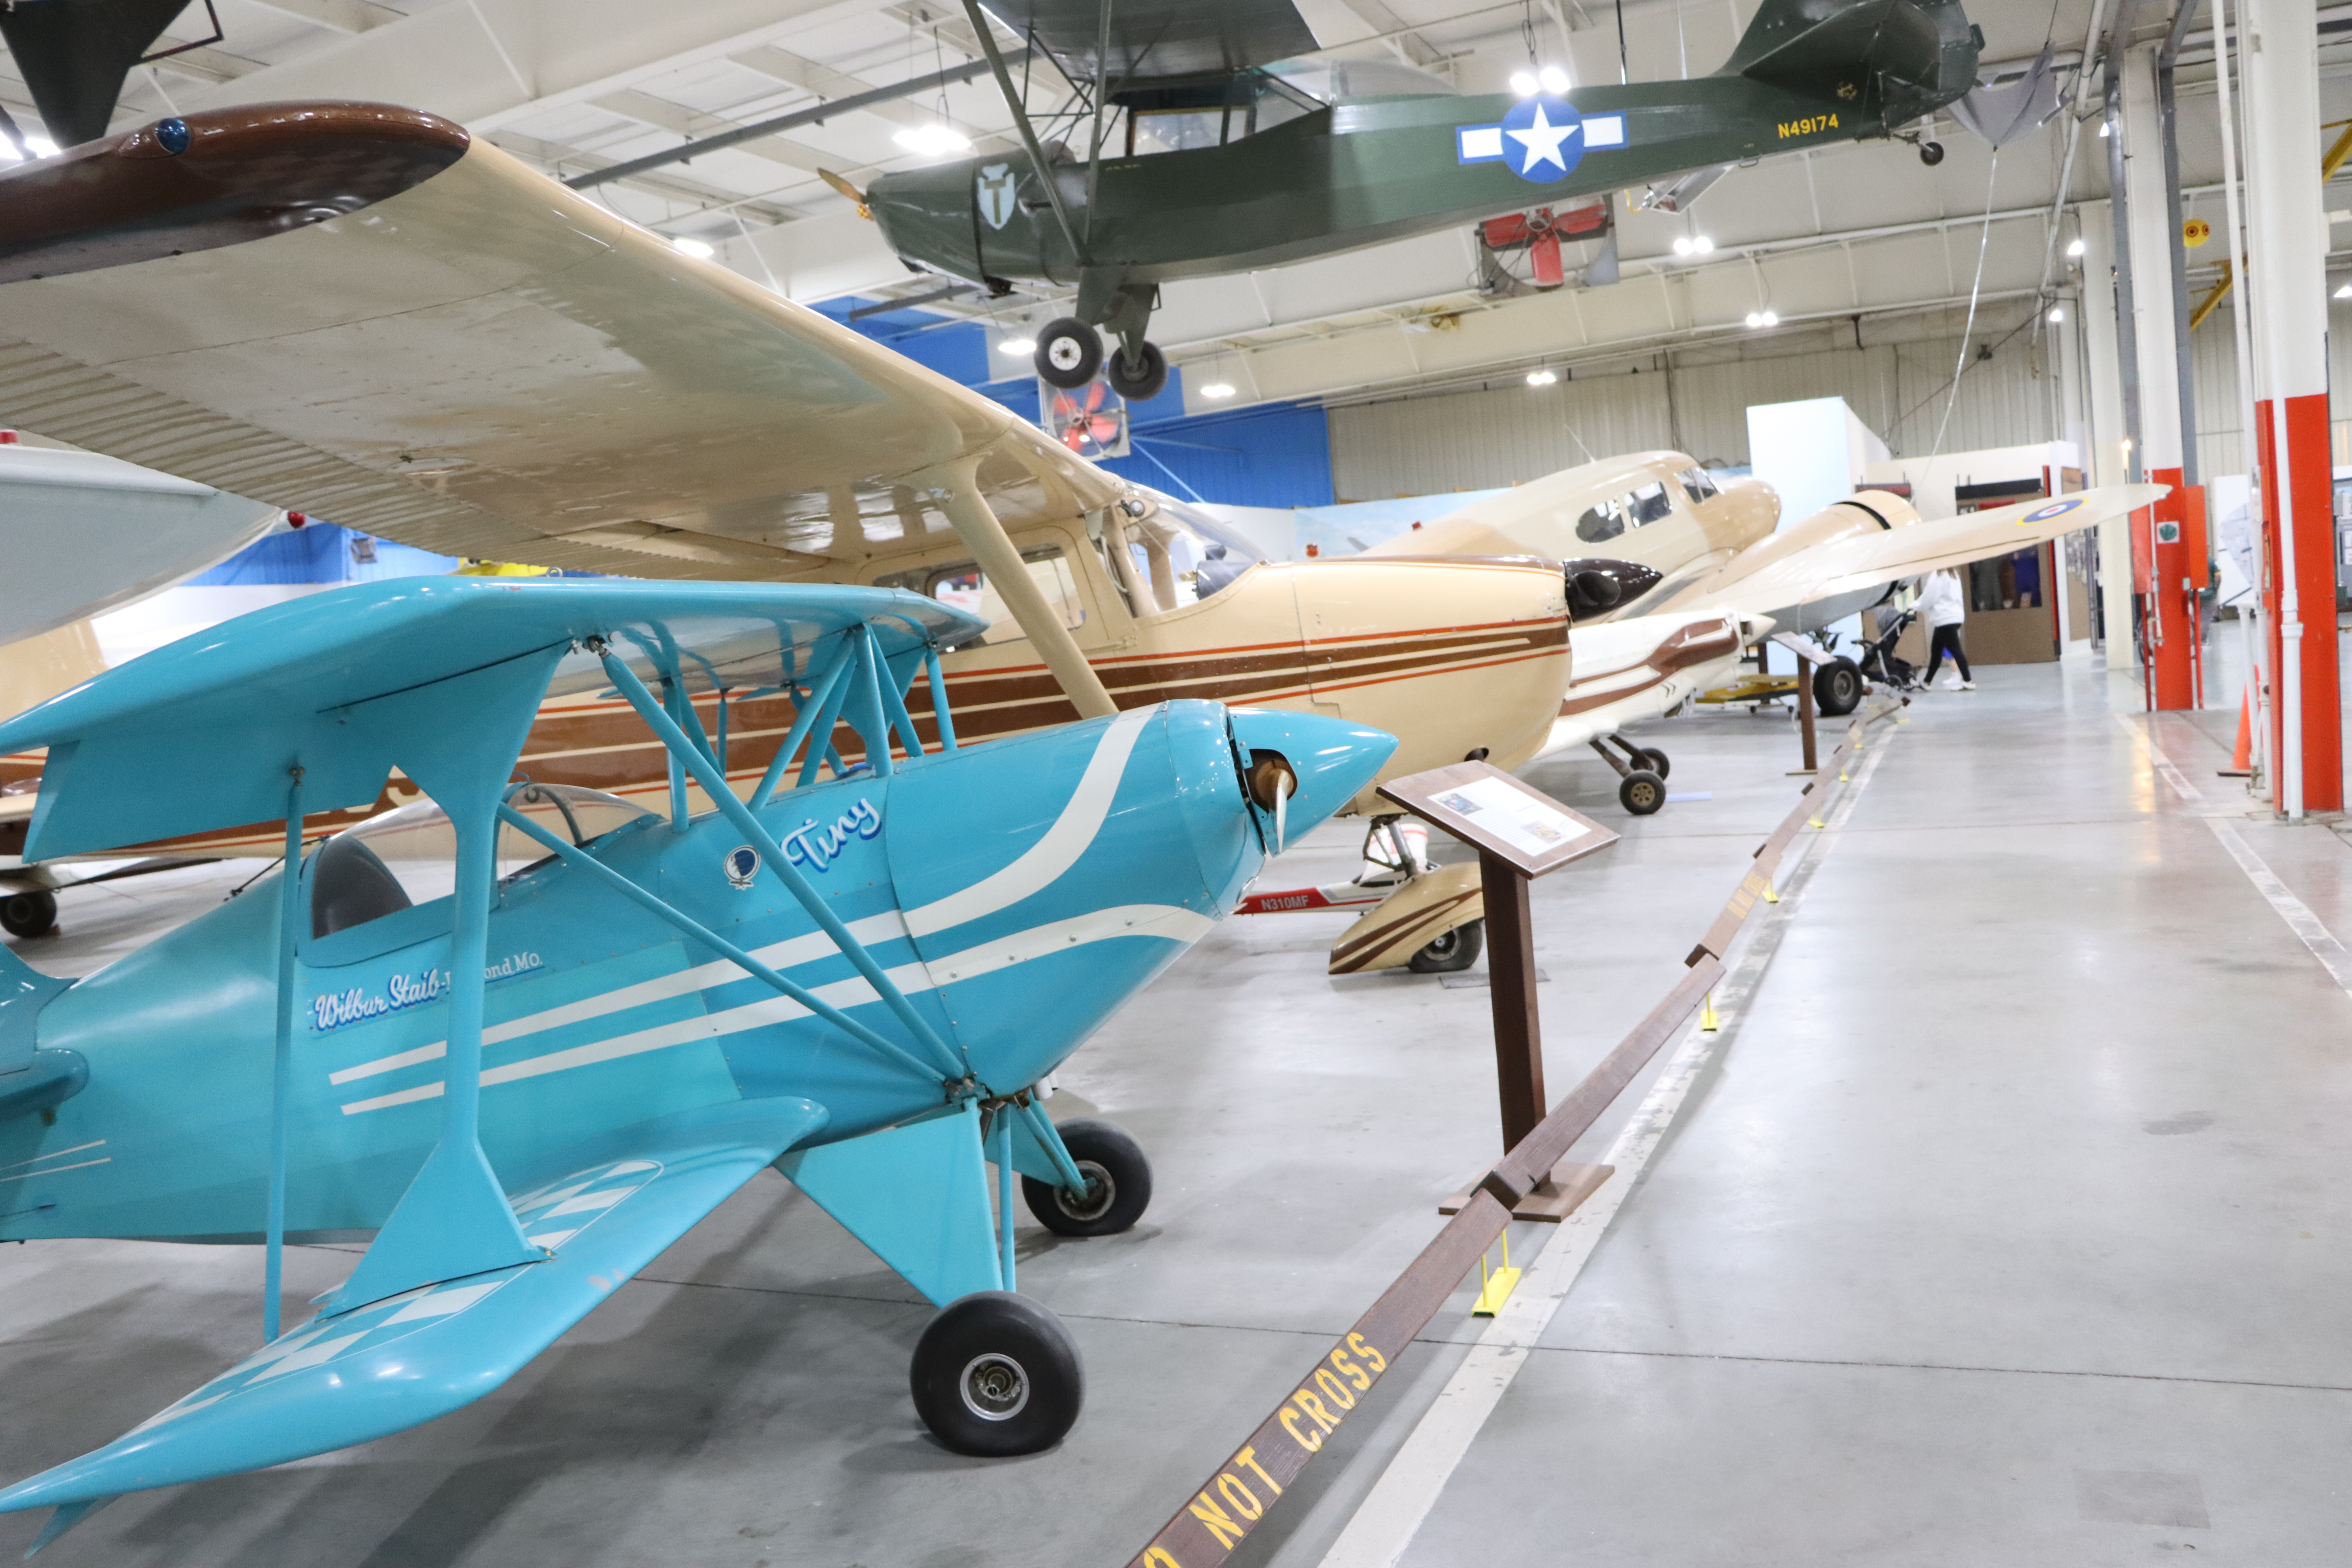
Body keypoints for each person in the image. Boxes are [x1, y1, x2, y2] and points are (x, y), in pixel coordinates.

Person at [1916, 568, 1974, 689]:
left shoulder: (1939, 576)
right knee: (1936, 652)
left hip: (1945, 618)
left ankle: (1968, 681)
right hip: (1954, 617)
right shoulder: (1954, 574)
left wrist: (1916, 606)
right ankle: (1927, 682)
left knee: (1956, 650)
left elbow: (1930, 597)